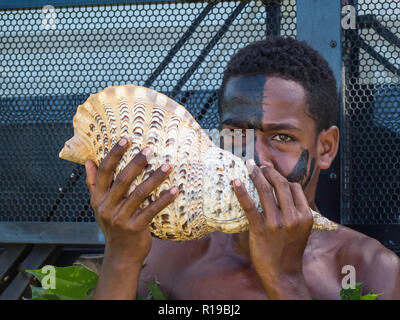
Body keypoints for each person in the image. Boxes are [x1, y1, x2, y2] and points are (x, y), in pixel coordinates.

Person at [84, 36, 400, 300]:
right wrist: (122, 257)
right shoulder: (164, 256)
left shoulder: (367, 268)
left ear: (325, 147)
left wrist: (284, 279)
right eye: (236, 133)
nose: (252, 159)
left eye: (281, 137)